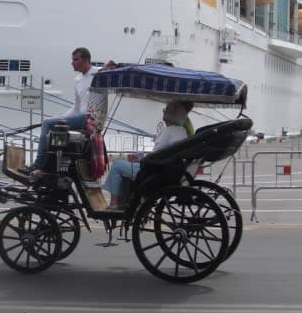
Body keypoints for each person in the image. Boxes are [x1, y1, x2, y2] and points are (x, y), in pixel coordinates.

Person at [29, 48, 110, 176]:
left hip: (92, 119)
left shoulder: (99, 73)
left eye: (75, 59)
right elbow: (76, 107)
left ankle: (39, 165)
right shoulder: (77, 80)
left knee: (47, 123)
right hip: (82, 117)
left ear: (86, 60)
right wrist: (61, 118)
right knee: (52, 124)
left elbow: (113, 69)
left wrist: (110, 66)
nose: (72, 63)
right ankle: (51, 165)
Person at [101, 99, 191, 209]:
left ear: (169, 115)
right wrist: (139, 156)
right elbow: (159, 153)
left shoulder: (168, 131)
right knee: (122, 165)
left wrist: (139, 158)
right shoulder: (182, 131)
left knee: (117, 165)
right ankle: (125, 200)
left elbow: (154, 156)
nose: (163, 113)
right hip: (167, 169)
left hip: (154, 172)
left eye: (165, 111)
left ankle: (114, 204)